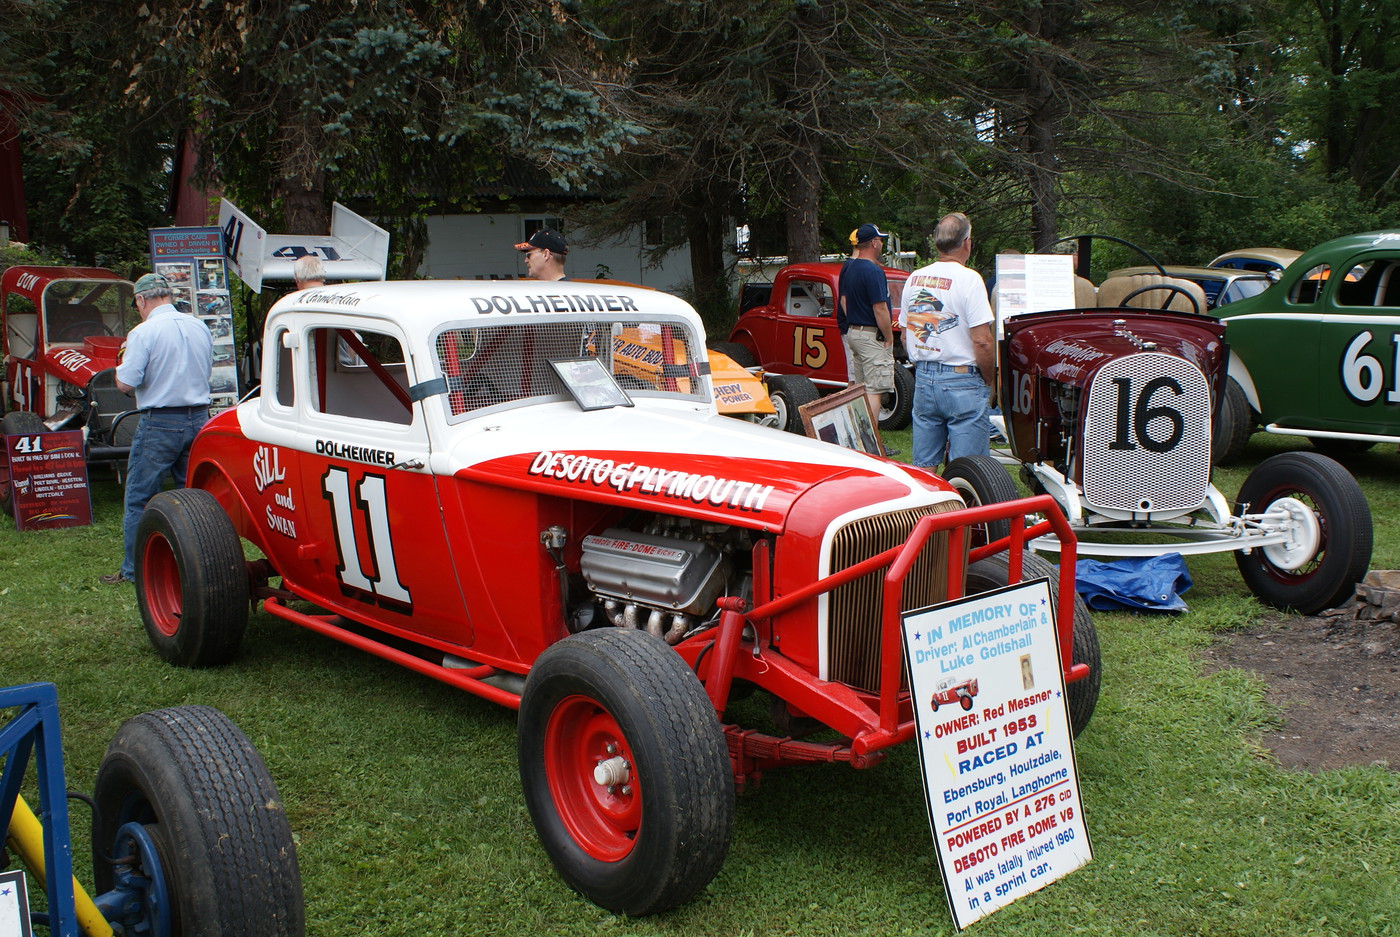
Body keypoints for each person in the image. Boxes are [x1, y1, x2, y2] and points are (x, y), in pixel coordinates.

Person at [101, 273, 214, 584]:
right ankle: (201, 563)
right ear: (168, 295)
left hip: (161, 421)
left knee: (140, 497)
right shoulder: (199, 326)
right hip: (199, 417)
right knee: (195, 497)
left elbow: (126, 383)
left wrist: (120, 362)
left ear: (141, 300)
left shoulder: (143, 332)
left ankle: (134, 571)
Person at [900, 212, 996, 468]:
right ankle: (963, 506)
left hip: (923, 377)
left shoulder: (915, 278)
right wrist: (988, 378)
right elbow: (983, 341)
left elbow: (904, 333)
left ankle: (925, 508)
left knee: (924, 466)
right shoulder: (970, 279)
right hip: (962, 379)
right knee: (968, 469)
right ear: (967, 242)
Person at [837, 223, 895, 424]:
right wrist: (888, 337)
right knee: (874, 390)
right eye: (880, 240)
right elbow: (880, 308)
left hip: (853, 332)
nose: (881, 243)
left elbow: (844, 300)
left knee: (860, 388)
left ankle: (858, 436)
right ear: (873, 243)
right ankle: (871, 444)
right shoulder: (873, 271)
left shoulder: (850, 268)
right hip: (871, 335)